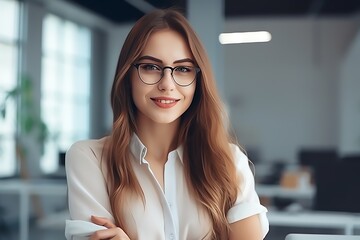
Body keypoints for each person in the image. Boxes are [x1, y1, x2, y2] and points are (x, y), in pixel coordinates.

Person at [65, 8, 269, 240]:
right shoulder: (89, 158)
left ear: (198, 81)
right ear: (127, 74)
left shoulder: (229, 161)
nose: (167, 84)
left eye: (183, 69)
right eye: (151, 67)